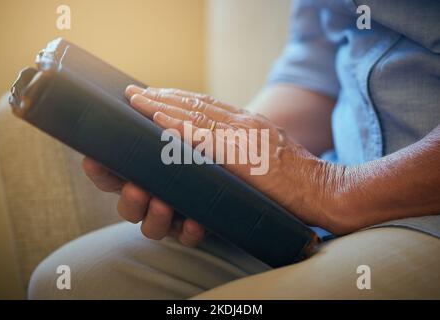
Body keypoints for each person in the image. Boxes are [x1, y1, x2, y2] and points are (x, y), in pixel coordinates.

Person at [29, 0, 440, 299]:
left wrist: (333, 189)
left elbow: (328, 187)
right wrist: (223, 165)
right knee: (72, 282)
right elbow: (315, 73)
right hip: (330, 196)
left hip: (422, 211)